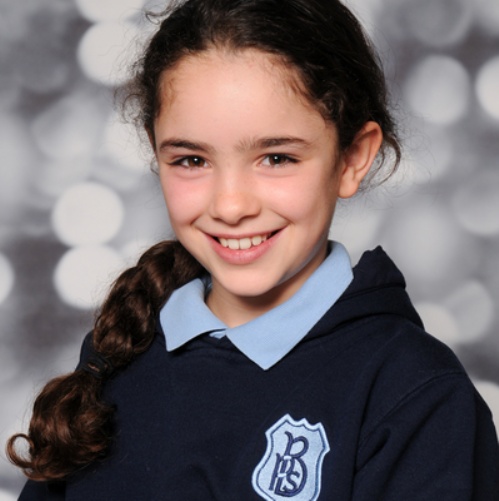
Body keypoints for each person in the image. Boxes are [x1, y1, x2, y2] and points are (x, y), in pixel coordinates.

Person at [8, 0, 499, 499]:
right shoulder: (119, 352)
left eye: (276, 158)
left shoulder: (415, 394)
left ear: (352, 158)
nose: (231, 205)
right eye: (192, 160)